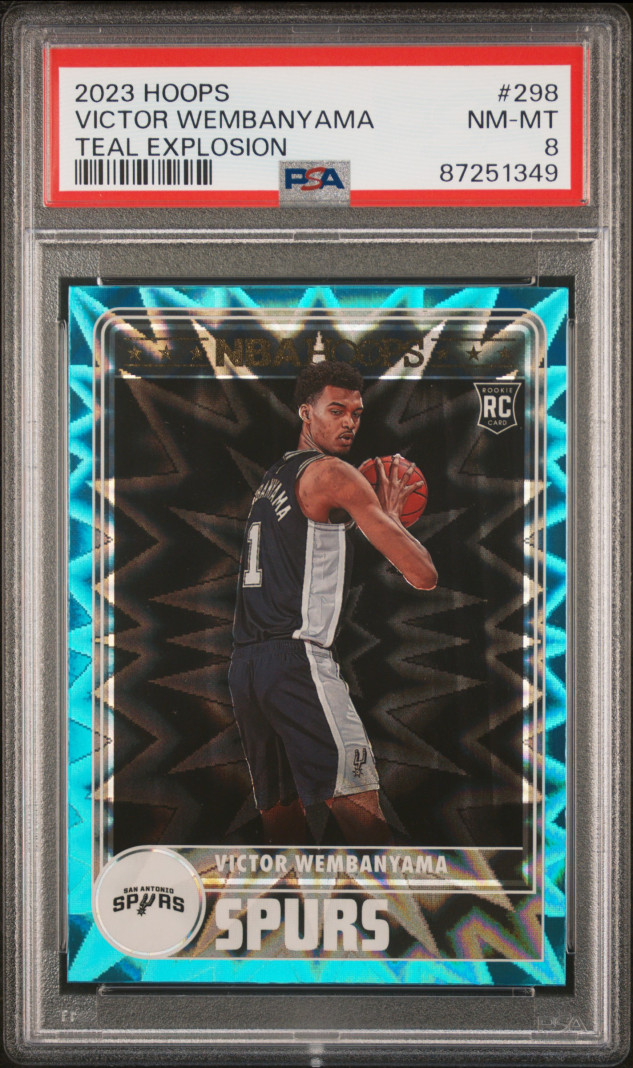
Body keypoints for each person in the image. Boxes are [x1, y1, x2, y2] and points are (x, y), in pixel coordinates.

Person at [229, 362, 437, 845]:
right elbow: (424, 574)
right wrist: (387, 518)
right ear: (307, 412)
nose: (349, 423)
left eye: (356, 414)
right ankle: (394, 898)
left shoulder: (274, 477)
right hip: (297, 661)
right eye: (336, 410)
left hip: (247, 668)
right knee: (363, 816)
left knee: (283, 829)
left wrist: (371, 516)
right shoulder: (334, 473)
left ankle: (289, 899)